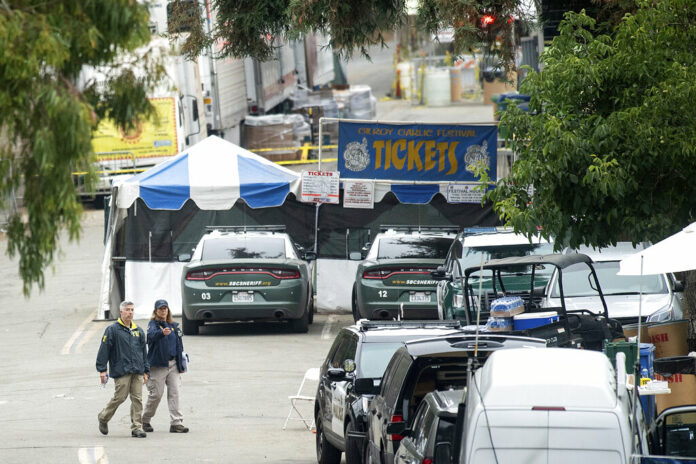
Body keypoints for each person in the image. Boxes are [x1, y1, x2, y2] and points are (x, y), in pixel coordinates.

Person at [96, 301, 150, 438]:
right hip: (122, 370)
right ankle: (103, 417)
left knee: (137, 399)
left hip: (137, 370)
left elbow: (144, 352)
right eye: (127, 310)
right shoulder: (113, 330)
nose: (130, 312)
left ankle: (137, 427)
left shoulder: (138, 330)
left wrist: (146, 370)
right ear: (121, 312)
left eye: (132, 309)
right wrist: (102, 369)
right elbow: (104, 349)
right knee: (120, 397)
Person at [142, 299, 189, 433]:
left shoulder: (173, 325)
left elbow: (179, 345)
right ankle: (145, 420)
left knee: (175, 392)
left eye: (165, 309)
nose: (163, 311)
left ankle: (176, 422)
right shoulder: (153, 325)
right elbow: (150, 337)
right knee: (156, 394)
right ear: (156, 311)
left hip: (173, 364)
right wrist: (161, 333)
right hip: (158, 366)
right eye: (160, 309)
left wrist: (181, 364)